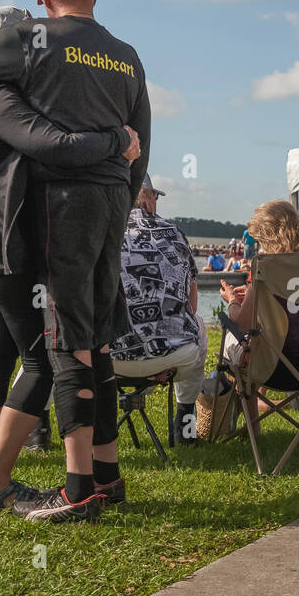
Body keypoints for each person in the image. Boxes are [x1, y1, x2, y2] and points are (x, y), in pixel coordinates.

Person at [0, 0, 151, 523]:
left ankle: (75, 488)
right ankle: (99, 474)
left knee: (64, 343)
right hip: (100, 204)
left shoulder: (30, 40)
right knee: (91, 339)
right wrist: (122, 193)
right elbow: (138, 144)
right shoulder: (127, 55)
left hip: (54, 208)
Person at [109, 177, 206, 444]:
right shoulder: (174, 233)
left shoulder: (102, 232)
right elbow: (191, 304)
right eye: (156, 198)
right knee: (197, 323)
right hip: (173, 357)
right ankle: (185, 425)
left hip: (108, 358)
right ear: (148, 198)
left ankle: (40, 429)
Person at [219, 201, 299, 372]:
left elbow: (243, 323)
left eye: (260, 241)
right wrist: (255, 294)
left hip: (275, 366)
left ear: (268, 237)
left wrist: (232, 300)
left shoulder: (266, 269)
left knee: (232, 339)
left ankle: (243, 397)